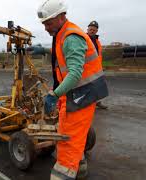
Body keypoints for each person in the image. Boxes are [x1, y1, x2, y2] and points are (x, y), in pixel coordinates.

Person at [36, 0, 108, 179]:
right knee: (73, 134)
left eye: (48, 23)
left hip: (81, 94)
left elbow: (75, 73)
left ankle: (64, 172)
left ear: (61, 17)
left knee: (68, 140)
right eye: (44, 24)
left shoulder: (70, 37)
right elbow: (66, 56)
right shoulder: (64, 33)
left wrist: (55, 93)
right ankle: (80, 169)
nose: (45, 28)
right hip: (79, 92)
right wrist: (44, 50)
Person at [87, 20, 108, 109]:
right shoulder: (83, 39)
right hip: (86, 68)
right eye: (91, 29)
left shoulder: (97, 41)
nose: (92, 31)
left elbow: (98, 55)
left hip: (96, 68)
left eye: (94, 30)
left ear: (96, 31)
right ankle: (87, 104)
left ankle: (97, 102)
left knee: (97, 85)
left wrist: (100, 67)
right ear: (87, 29)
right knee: (87, 86)